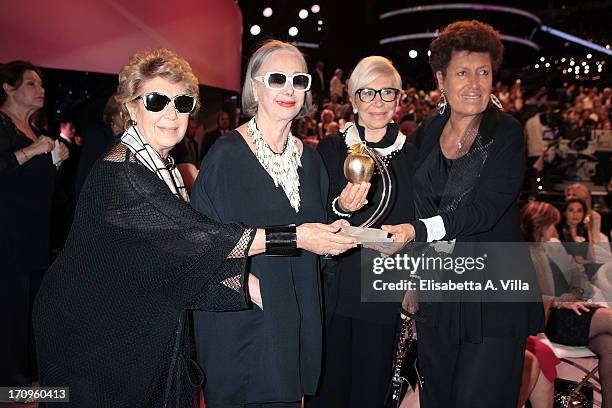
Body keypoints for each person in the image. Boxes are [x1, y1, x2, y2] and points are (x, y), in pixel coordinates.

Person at [33, 48, 355, 407]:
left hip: (127, 323)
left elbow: (177, 257)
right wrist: (297, 237)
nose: (171, 113)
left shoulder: (159, 165)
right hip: (93, 335)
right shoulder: (123, 173)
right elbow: (204, 240)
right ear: (131, 108)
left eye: (182, 102)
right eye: (156, 100)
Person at [382, 21, 544, 407]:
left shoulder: (505, 133)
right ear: (441, 79)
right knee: (438, 397)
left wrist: (420, 231)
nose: (474, 82)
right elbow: (413, 201)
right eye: (461, 72)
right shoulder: (427, 131)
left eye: (483, 72)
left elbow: (483, 210)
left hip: (493, 295)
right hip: (439, 295)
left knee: (480, 398)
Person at [191, 40, 356, 408]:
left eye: (299, 80)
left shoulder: (312, 163)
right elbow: (202, 244)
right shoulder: (226, 156)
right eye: (277, 78)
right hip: (244, 325)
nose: (289, 89)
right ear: (255, 86)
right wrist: (249, 288)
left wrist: (342, 217)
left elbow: (318, 241)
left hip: (296, 323)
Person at [306, 56, 417, 408]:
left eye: (387, 93)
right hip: (335, 287)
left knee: (371, 391)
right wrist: (341, 209)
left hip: (385, 290)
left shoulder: (413, 155)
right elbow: (316, 219)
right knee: (329, 390)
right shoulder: (330, 149)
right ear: (352, 99)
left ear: (399, 99)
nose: (378, 103)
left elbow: (418, 226)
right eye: (367, 93)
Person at [0, 60, 69, 388]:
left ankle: (30, 378)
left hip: (34, 236)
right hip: (7, 237)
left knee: (33, 311)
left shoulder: (35, 131)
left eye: (41, 84)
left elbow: (37, 189)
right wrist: (32, 151)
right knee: (11, 312)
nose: (41, 90)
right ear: (8, 89)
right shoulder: (2, 124)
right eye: (31, 84)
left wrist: (54, 162)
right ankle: (12, 383)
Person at [520, 200, 612, 407]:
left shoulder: (553, 247)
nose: (555, 229)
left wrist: (574, 293)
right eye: (551, 224)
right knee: (609, 318)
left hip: (573, 309)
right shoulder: (522, 254)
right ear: (540, 226)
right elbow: (526, 298)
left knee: (609, 345)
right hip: (551, 318)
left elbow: (578, 276)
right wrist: (559, 302)